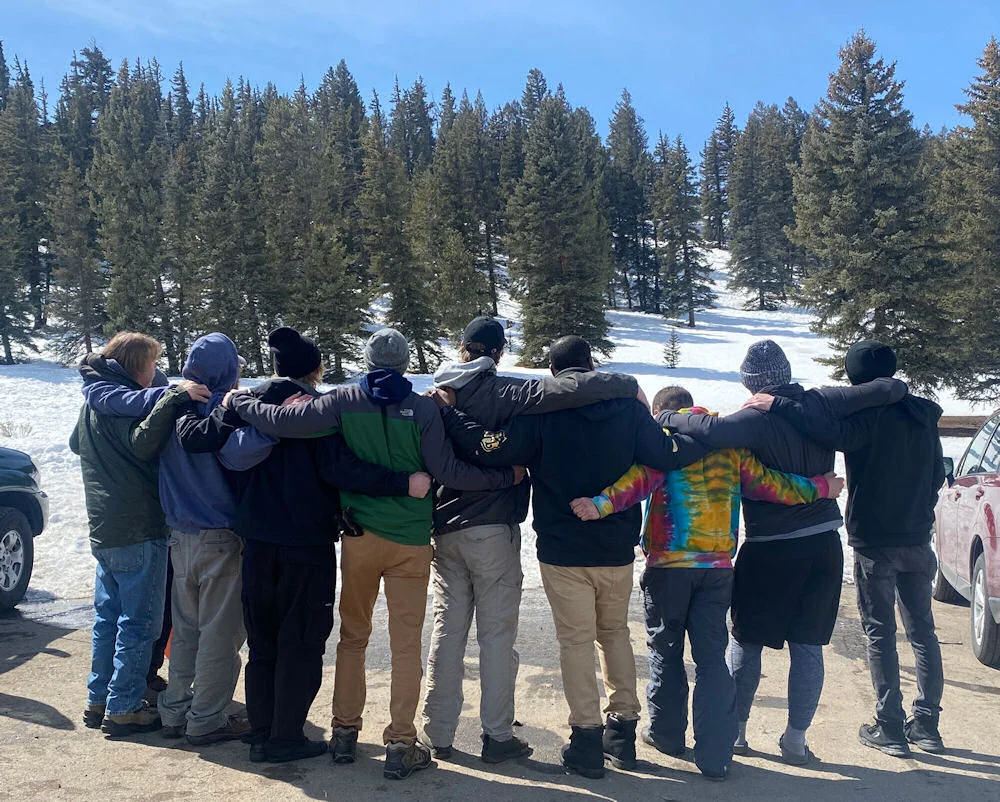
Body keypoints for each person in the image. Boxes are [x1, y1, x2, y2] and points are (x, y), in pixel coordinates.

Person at [225, 328, 522, 781]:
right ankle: (401, 740)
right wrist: (508, 477)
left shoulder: (343, 400)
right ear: (404, 364)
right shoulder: (423, 408)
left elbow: (283, 424)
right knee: (406, 644)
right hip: (411, 541)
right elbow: (449, 471)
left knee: (353, 636)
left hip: (359, 537)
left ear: (367, 358)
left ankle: (344, 730)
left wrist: (240, 401)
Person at [435, 336, 708, 780]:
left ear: (554, 371)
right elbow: (662, 455)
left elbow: (492, 447)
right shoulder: (629, 407)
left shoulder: (541, 411)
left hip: (562, 549)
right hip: (615, 545)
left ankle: (585, 741)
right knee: (614, 633)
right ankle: (622, 732)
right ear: (592, 364)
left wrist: (448, 412)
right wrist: (706, 437)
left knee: (576, 642)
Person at [178, 326, 433, 763]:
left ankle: (261, 734)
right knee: (301, 639)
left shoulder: (249, 403)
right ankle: (285, 736)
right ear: (316, 370)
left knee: (263, 642)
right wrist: (401, 483)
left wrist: (224, 402)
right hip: (306, 541)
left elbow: (204, 441)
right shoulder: (316, 412)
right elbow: (342, 469)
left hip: (256, 539)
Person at [568, 385, 844, 780]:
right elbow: (774, 484)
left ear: (664, 412)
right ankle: (716, 756)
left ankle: (666, 736)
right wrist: (821, 487)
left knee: (665, 650)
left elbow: (636, 482)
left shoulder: (665, 445)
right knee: (712, 659)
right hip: (716, 570)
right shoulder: (730, 448)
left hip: (669, 568)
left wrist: (599, 505)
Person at [658, 339, 907, 765]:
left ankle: (735, 734)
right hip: (824, 544)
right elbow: (882, 390)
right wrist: (897, 389)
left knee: (747, 642)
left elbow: (712, 432)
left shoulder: (754, 417)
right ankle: (795, 740)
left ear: (752, 382)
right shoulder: (822, 402)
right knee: (808, 647)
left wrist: (666, 415)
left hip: (771, 548)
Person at [422, 316, 640, 765]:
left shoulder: (435, 393)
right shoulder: (510, 392)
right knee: (497, 636)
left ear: (463, 347)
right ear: (498, 354)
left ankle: (437, 730)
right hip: (494, 528)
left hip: (444, 528)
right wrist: (625, 381)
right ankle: (497, 734)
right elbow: (570, 388)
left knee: (447, 630)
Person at [743, 340, 945, 757]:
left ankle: (889, 725)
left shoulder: (867, 414)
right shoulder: (924, 414)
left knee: (881, 631)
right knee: (923, 631)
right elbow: (937, 474)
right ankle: (927, 726)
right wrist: (922, 511)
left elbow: (826, 432)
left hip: (875, 538)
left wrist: (778, 406)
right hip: (917, 537)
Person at [82, 333, 274, 746]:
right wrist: (273, 424)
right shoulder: (219, 407)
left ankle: (173, 710)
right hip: (220, 536)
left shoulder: (168, 407)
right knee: (220, 633)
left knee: (185, 629)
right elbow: (239, 454)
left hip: (178, 535)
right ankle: (206, 717)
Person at [71, 332, 208, 737]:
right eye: (152, 364)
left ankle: (99, 699)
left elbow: (76, 444)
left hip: (104, 528)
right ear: (136, 366)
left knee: (107, 619)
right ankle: (125, 707)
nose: (156, 372)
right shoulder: (126, 405)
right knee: (139, 623)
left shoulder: (95, 403)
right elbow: (142, 446)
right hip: (139, 527)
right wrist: (171, 401)